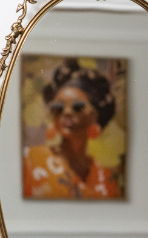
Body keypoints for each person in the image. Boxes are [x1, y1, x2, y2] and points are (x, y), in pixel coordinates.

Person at [23, 58, 121, 199]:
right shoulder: (30, 161)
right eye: (58, 107)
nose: (67, 112)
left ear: (95, 115)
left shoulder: (107, 177)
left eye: (77, 107)